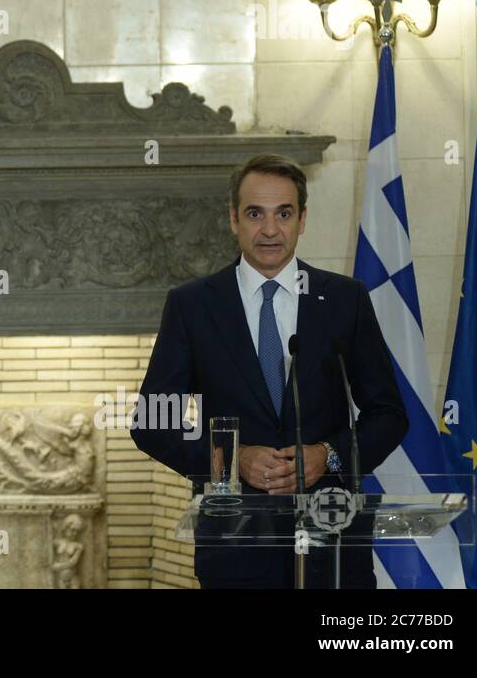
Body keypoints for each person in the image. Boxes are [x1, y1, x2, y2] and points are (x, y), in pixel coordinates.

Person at [131, 153, 407, 588]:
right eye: (255, 213)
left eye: (284, 213)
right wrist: (232, 460)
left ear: (302, 219)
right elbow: (152, 422)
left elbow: (389, 415)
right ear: (233, 219)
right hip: (236, 548)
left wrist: (327, 456)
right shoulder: (192, 305)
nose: (270, 230)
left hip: (331, 540)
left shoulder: (343, 299)